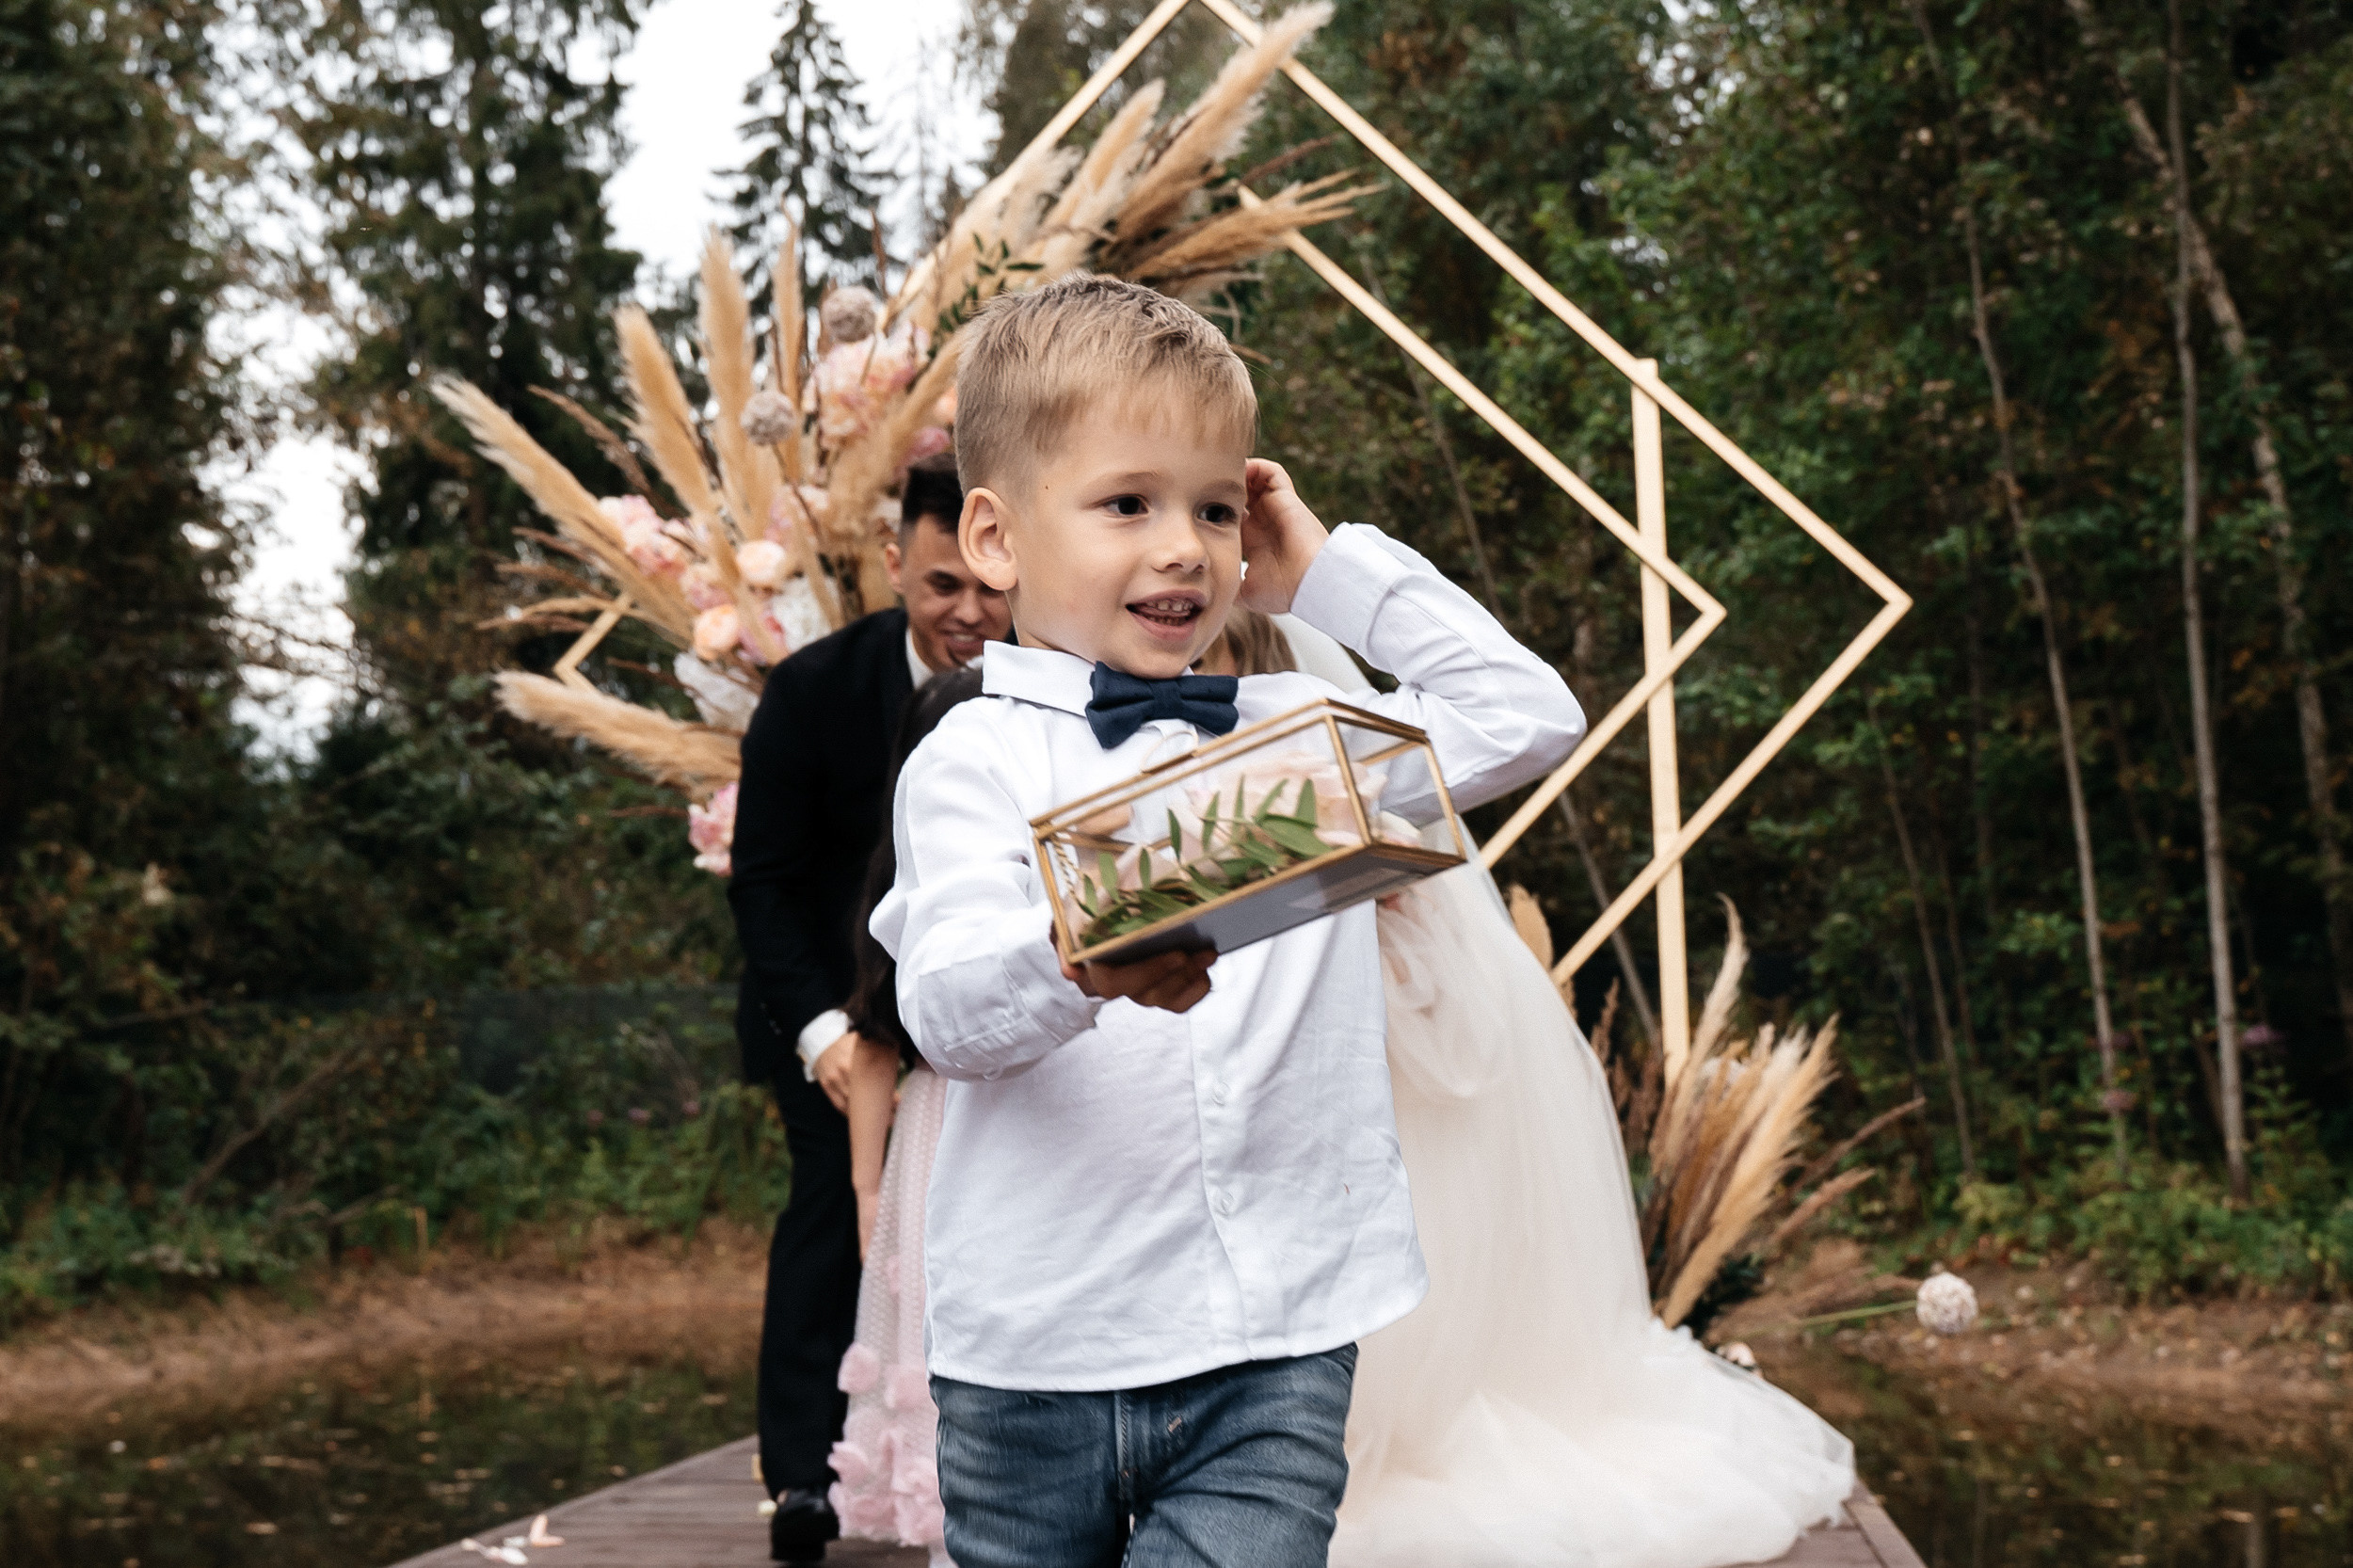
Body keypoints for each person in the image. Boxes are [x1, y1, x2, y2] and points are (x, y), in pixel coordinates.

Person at [870, 273, 1585, 1567]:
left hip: (1278, 1342)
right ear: (994, 537)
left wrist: (1327, 575)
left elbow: (1527, 714)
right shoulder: (969, 762)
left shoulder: (1296, 754)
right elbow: (949, 1011)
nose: (1185, 547)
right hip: (1035, 1355)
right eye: (1127, 503)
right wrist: (1077, 959)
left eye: (1212, 508)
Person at [728, 452, 1010, 1564]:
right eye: (943, 586)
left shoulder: (1038, 685)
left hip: (983, 1017)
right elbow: (762, 879)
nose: (970, 612)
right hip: (832, 1021)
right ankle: (803, 1477)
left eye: (987, 585)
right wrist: (824, 1036)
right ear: (895, 566)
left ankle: (963, 1469)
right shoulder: (810, 692)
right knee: (827, 1225)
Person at [826, 664, 985, 1565]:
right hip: (933, 1145)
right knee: (941, 1345)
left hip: (987, 1130)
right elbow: (876, 1044)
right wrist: (864, 1194)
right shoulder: (901, 894)